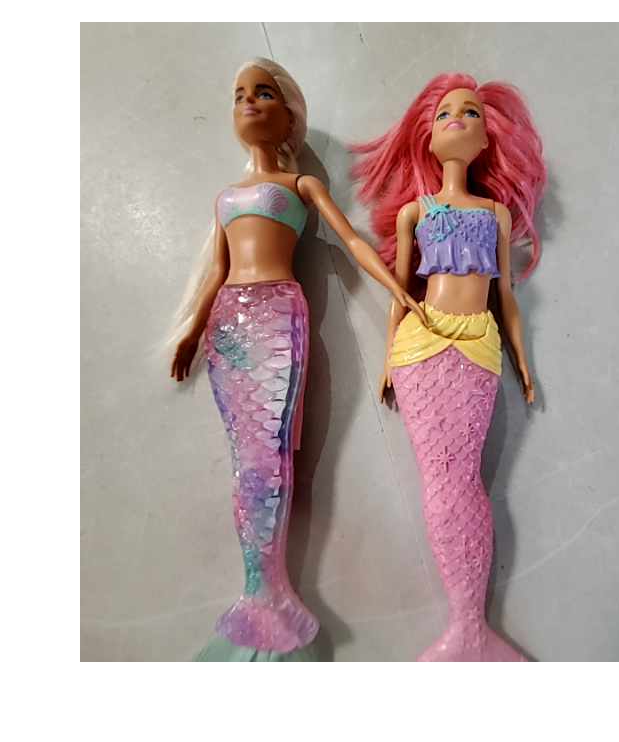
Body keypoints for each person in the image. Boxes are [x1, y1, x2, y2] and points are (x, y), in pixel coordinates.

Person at [169, 58, 424, 661]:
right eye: (239, 95)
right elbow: (218, 271)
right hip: (228, 324)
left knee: (275, 454)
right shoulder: (225, 199)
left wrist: (397, 287)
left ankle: (274, 591)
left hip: (279, 316)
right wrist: (192, 330)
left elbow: (352, 240)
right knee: (246, 462)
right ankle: (258, 591)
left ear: (289, 116)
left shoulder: (301, 186)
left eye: (263, 93)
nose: (248, 102)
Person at [350, 72, 546, 661]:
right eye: (443, 114)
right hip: (422, 344)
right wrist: (387, 357)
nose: (456, 118)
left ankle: (471, 630)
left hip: (479, 344)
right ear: (428, 139)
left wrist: (522, 357)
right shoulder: (416, 211)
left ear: (486, 140)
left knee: (463, 479)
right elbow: (399, 291)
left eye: (471, 113)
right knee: (441, 479)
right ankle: (467, 628)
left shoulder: (496, 214)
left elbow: (504, 295)